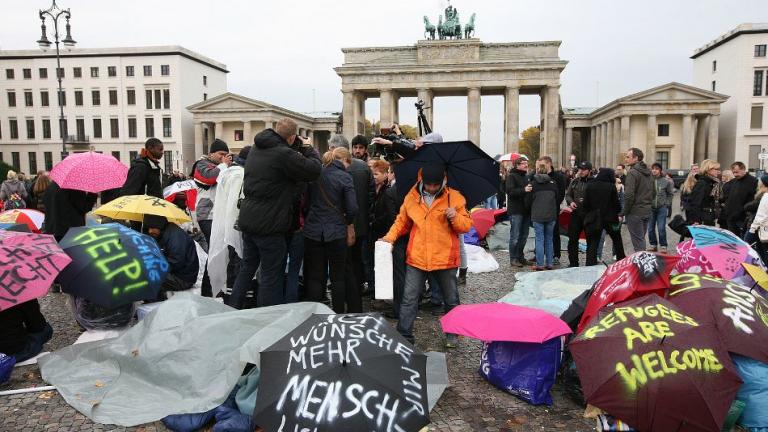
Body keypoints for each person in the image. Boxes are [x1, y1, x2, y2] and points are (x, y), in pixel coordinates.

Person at [230, 118, 322, 309]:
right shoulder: (283, 154)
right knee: (272, 274)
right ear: (291, 138)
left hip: (249, 219)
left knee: (247, 267)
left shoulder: (256, 148)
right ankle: (268, 316)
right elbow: (313, 170)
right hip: (270, 224)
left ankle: (234, 307)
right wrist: (308, 149)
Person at [382, 163, 472, 347]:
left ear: (443, 182)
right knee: (409, 298)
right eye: (429, 184)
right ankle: (404, 335)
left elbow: (466, 226)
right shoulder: (411, 197)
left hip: (445, 258)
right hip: (417, 257)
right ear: (422, 181)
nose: (432, 188)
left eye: (436, 185)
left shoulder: (454, 197)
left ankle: (452, 335)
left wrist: (455, 216)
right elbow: (401, 222)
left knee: (451, 299)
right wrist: (389, 238)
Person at [303, 147, 358, 313]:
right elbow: (353, 208)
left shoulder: (315, 175)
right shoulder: (345, 177)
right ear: (343, 161)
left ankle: (314, 314)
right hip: (336, 231)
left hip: (313, 230)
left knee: (315, 276)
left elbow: (306, 204)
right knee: (338, 277)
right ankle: (338, 313)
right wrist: (347, 221)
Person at [330, 135, 375, 299]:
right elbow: (371, 195)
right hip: (360, 222)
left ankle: (343, 295)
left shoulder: (331, 169)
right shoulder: (364, 167)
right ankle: (356, 292)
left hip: (339, 224)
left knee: (341, 262)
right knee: (357, 261)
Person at [208, 146, 250, 301]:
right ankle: (237, 297)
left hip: (224, 221)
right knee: (238, 259)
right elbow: (235, 203)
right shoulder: (240, 175)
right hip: (236, 223)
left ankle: (228, 292)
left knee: (230, 258)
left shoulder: (227, 173)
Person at [191, 138, 232, 297]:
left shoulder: (222, 167)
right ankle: (208, 291)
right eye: (221, 154)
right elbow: (208, 178)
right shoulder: (201, 165)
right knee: (215, 251)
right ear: (211, 154)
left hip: (219, 214)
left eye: (226, 155)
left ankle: (216, 289)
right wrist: (223, 166)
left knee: (221, 252)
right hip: (207, 215)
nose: (224, 158)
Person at [144, 214, 199, 299]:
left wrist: (154, 266)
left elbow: (176, 262)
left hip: (183, 279)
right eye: (149, 228)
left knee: (149, 276)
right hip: (177, 273)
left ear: (160, 226)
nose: (150, 231)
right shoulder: (164, 233)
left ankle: (159, 297)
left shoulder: (176, 237)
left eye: (152, 228)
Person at [583, 168, 626, 265]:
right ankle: (621, 259)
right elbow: (616, 203)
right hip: (610, 219)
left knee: (594, 241)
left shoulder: (590, 185)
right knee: (617, 239)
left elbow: (586, 203)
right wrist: (618, 211)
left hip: (595, 218)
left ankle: (590, 262)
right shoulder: (610, 186)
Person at [525, 160, 559, 270]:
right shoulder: (553, 184)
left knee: (539, 239)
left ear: (537, 171)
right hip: (551, 215)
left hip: (537, 215)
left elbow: (528, 201)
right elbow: (557, 198)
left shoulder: (533, 185)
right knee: (549, 239)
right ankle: (549, 263)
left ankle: (539, 264)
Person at [621, 148, 654, 253]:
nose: (625, 159)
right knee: (641, 240)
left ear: (636, 158)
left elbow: (629, 195)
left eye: (628, 157)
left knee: (638, 243)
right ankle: (642, 264)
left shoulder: (633, 172)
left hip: (635, 212)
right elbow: (654, 192)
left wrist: (624, 212)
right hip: (646, 211)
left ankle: (642, 267)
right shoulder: (649, 172)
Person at [537, 156, 566, 265]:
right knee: (540, 233)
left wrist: (554, 205)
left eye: (542, 164)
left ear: (549, 163)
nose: (540, 166)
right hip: (540, 209)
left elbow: (561, 193)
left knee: (554, 232)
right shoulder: (538, 175)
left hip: (553, 208)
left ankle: (556, 255)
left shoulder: (558, 177)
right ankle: (540, 254)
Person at [565, 161, 592, 267]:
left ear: (589, 171)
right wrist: (570, 202)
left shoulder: (593, 182)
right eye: (580, 169)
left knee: (590, 240)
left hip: (589, 215)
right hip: (576, 214)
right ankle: (573, 262)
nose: (581, 171)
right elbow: (568, 195)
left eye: (583, 170)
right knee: (572, 239)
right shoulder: (575, 181)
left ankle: (590, 263)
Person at [506, 156, 531, 267]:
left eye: (526, 163)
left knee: (524, 236)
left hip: (526, 211)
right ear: (517, 165)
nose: (526, 165)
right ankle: (513, 258)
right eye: (523, 163)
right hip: (516, 211)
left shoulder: (526, 177)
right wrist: (524, 190)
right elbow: (510, 192)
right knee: (515, 236)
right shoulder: (511, 176)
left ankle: (520, 257)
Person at [722, 161, 757, 238]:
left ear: (743, 169)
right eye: (733, 172)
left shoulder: (753, 181)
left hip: (743, 218)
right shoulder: (733, 181)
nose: (735, 174)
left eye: (737, 172)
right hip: (731, 217)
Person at [647, 163, 674, 253]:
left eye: (656, 169)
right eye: (653, 168)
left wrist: (667, 204)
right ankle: (653, 244)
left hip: (661, 208)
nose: (654, 170)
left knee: (661, 227)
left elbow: (670, 194)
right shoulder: (648, 180)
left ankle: (663, 245)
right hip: (650, 208)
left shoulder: (666, 181)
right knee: (650, 228)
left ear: (660, 170)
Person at [687, 159, 723, 226]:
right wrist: (696, 220)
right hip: (702, 219)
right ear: (708, 169)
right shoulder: (703, 183)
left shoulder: (712, 182)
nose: (718, 172)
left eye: (718, 169)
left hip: (709, 217)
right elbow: (695, 202)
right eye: (716, 169)